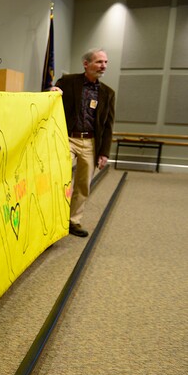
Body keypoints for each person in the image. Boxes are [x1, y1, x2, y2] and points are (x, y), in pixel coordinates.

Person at [50, 48, 116, 237]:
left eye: (105, 62)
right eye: (99, 62)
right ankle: (54, 219)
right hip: (68, 138)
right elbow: (53, 99)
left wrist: (104, 152)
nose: (103, 66)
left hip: (91, 142)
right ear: (86, 64)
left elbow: (108, 126)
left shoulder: (108, 93)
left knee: (83, 185)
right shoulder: (68, 82)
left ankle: (73, 222)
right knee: (61, 179)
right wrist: (52, 91)